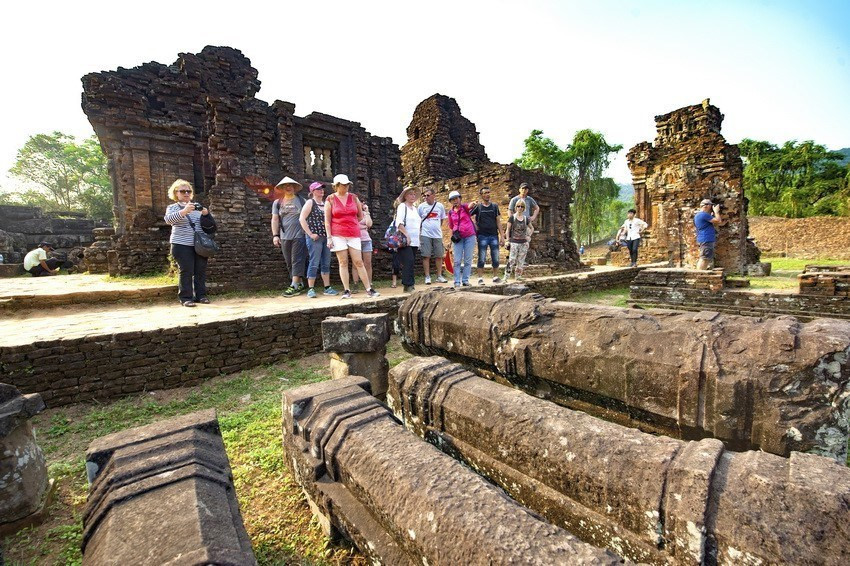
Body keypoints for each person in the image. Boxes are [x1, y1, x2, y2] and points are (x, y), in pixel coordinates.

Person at [325, 174, 379, 299]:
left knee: (358, 261)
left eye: (347, 184)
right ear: (337, 186)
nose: (346, 187)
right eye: (343, 184)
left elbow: (360, 215)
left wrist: (351, 222)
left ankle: (369, 289)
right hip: (337, 233)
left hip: (353, 233)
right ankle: (346, 290)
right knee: (343, 262)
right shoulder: (330, 199)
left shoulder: (354, 198)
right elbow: (327, 220)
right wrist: (329, 237)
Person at [164, 179, 211, 306]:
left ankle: (200, 296)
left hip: (199, 244)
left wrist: (206, 215)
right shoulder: (172, 207)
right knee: (186, 270)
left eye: (188, 191)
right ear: (176, 193)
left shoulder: (197, 207)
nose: (186, 193)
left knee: (200, 270)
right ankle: (186, 298)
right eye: (183, 191)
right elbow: (168, 220)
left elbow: (208, 226)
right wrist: (184, 211)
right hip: (181, 244)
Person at [299, 182, 338, 298]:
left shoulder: (325, 203)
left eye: (322, 189)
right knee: (314, 262)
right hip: (315, 238)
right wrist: (310, 234)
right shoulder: (310, 203)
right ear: (312, 191)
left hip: (326, 237)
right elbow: (302, 219)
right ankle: (311, 288)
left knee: (326, 262)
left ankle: (327, 287)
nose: (321, 191)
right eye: (318, 189)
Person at [271, 176, 308, 297]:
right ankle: (300, 283)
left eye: (290, 185)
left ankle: (294, 285)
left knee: (296, 259)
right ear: (282, 188)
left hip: (299, 235)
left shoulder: (302, 201)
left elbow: (308, 218)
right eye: (286, 186)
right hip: (284, 235)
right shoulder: (277, 203)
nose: (288, 187)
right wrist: (275, 235)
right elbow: (275, 219)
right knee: (289, 261)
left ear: (294, 188)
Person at [469, 186, 502, 285]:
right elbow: (467, 216)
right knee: (482, 257)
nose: (487, 194)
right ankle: (480, 278)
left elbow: (498, 221)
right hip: (482, 235)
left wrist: (502, 236)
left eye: (488, 192)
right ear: (481, 195)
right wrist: (474, 225)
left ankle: (495, 277)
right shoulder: (478, 207)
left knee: (495, 257)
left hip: (494, 235)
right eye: (485, 193)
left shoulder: (494, 206)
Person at [447, 190, 477, 288]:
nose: (455, 201)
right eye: (452, 199)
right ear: (450, 201)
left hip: (469, 235)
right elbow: (451, 226)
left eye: (456, 198)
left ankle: (465, 280)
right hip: (458, 237)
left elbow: (470, 205)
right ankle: (456, 281)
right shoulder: (451, 212)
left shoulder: (464, 207)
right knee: (457, 260)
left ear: (460, 198)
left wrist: (473, 203)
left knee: (468, 259)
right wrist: (449, 240)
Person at [417, 189, 448, 285]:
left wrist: (436, 228)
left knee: (439, 255)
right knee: (426, 256)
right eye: (424, 196)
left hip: (437, 234)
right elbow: (418, 220)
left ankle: (439, 276)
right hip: (425, 234)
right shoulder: (421, 207)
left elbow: (442, 219)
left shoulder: (440, 206)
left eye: (428, 195)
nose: (426, 197)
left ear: (433, 195)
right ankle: (427, 276)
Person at [394, 186, 421, 292]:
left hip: (415, 240)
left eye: (414, 194)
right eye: (410, 194)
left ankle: (409, 284)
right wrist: (407, 235)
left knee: (411, 262)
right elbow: (399, 223)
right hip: (405, 240)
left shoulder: (415, 209)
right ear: (405, 196)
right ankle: (408, 284)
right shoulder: (402, 206)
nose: (413, 196)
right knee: (408, 261)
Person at [504, 200, 533, 280]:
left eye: (522, 206)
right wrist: (507, 240)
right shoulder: (512, 217)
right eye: (518, 206)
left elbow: (532, 228)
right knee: (512, 260)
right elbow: (508, 230)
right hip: (514, 242)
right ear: (516, 207)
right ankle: (506, 277)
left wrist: (528, 236)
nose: (520, 208)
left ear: (524, 208)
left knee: (521, 261)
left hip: (523, 243)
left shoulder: (526, 218)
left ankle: (518, 277)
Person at [351, 193, 374, 292]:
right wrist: (362, 226)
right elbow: (353, 225)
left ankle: (369, 283)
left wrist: (367, 212)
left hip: (366, 240)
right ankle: (355, 284)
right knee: (355, 263)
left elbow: (369, 224)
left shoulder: (364, 214)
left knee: (367, 263)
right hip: (355, 239)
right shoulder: (352, 213)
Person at [694, 198, 723, 270]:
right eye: (711, 206)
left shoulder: (699, 215)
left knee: (706, 258)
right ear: (705, 206)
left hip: (704, 238)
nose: (712, 208)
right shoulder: (703, 215)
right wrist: (716, 212)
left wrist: (712, 215)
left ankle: (701, 274)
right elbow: (719, 221)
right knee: (704, 258)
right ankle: (700, 275)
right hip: (706, 238)